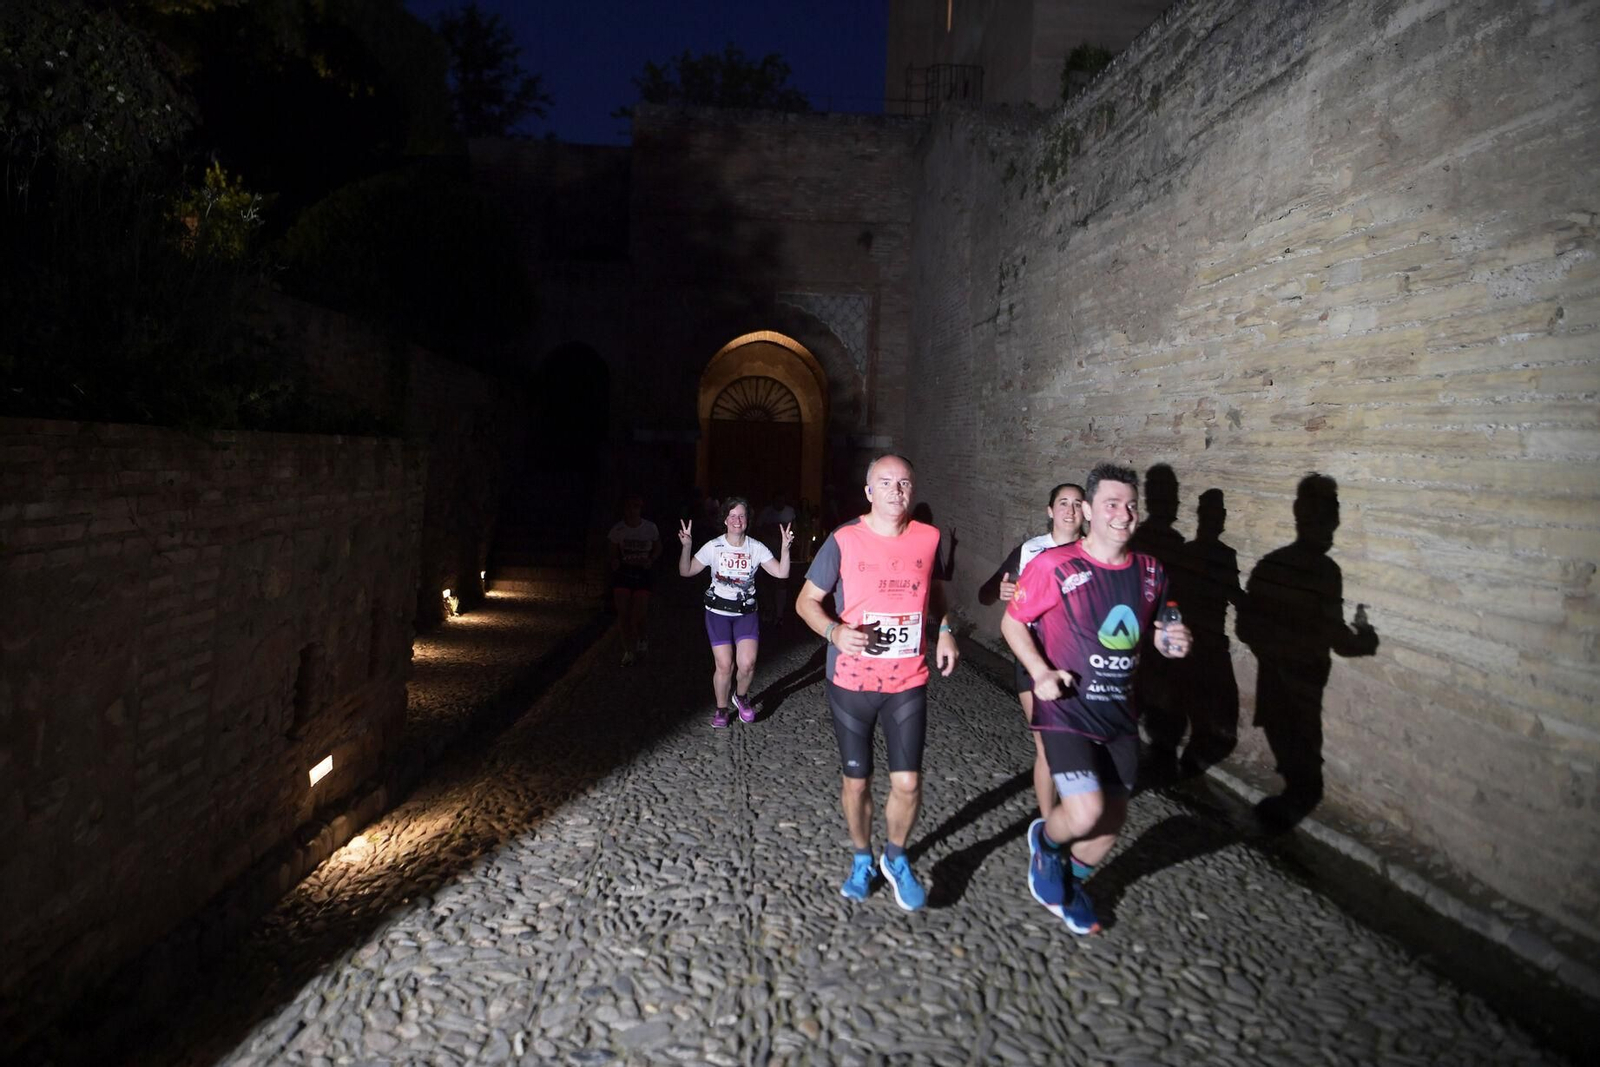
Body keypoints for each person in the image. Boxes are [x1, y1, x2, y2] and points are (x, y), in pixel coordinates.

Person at [1001, 462, 1191, 934]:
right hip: (1066, 707)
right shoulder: (1054, 564)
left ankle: (1071, 882)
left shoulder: (1151, 571)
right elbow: (1012, 621)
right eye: (1111, 504)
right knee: (1085, 810)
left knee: (1112, 823)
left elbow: (1166, 627)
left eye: (1130, 505)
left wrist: (1174, 640)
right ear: (1087, 510)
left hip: (1119, 714)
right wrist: (1040, 671)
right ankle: (1046, 843)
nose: (1123, 514)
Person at [795, 454, 959, 911]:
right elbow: (806, 601)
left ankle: (897, 857)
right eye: (885, 483)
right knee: (858, 782)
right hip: (851, 681)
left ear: (913, 490)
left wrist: (944, 630)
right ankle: (862, 858)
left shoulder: (929, 538)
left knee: (907, 783)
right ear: (868, 492)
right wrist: (833, 631)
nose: (896, 491)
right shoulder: (844, 539)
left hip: (907, 679)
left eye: (904, 483)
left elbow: (935, 590)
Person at [978, 482, 1086, 820]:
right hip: (1033, 655)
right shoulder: (1031, 550)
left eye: (1077, 503)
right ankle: (1049, 825)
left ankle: (1076, 812)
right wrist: (1003, 589)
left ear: (1087, 512)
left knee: (1079, 743)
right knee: (1047, 745)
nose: (1070, 510)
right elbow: (985, 594)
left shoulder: (1095, 552)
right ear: (1050, 511)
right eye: (1063, 503)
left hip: (1079, 660)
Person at [679, 497, 794, 729]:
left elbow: (781, 573)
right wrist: (687, 546)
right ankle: (721, 709)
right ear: (725, 520)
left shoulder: (756, 547)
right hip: (718, 613)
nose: (737, 520)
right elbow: (687, 571)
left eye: (741, 516)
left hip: (746, 613)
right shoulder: (714, 546)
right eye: (732, 516)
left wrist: (785, 548)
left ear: (747, 520)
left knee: (748, 664)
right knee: (724, 665)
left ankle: (740, 696)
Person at [607, 495, 662, 666]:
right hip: (623, 573)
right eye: (630, 507)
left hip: (642, 573)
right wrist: (615, 560)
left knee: (638, 614)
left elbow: (658, 546)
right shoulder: (618, 529)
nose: (633, 510)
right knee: (623, 613)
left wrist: (651, 559)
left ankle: (642, 638)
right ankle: (628, 651)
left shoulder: (650, 528)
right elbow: (612, 550)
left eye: (636, 507)